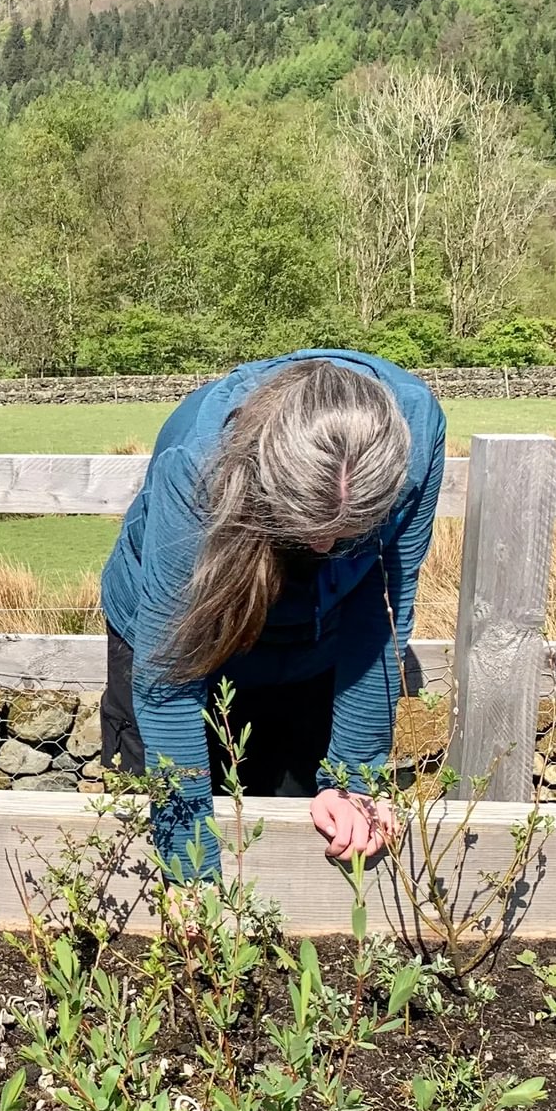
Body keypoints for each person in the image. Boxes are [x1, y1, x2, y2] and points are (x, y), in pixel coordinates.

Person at [98, 350, 447, 878]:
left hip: (311, 647)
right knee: (158, 835)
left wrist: (355, 779)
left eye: (350, 534)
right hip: (176, 636)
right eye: (305, 529)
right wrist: (191, 876)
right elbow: (168, 679)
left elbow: (381, 611)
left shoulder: (419, 430)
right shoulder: (199, 460)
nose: (326, 545)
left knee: (296, 822)